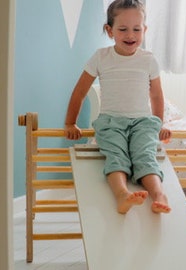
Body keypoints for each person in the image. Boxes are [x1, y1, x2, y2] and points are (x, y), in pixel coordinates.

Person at [64, 0, 172, 214]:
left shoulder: (148, 59)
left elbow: (157, 95)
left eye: (136, 29)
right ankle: (122, 195)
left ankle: (158, 194)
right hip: (111, 122)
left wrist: (158, 123)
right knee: (116, 156)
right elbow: (80, 91)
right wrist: (70, 122)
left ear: (145, 30)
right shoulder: (101, 57)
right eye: (123, 29)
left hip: (142, 122)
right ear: (110, 30)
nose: (130, 35)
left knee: (145, 156)